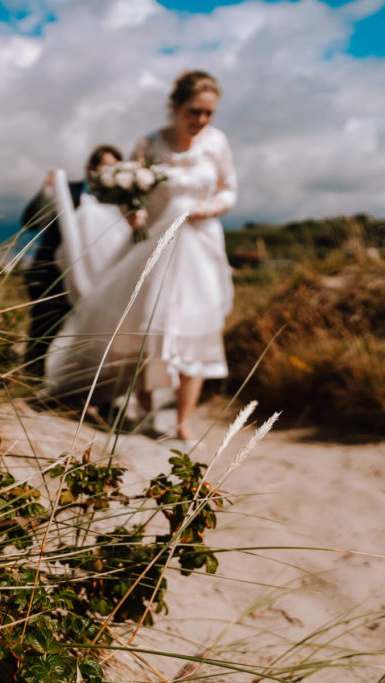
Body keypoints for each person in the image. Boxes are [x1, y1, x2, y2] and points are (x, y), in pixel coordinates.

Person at [45, 70, 237, 443]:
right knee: (149, 322)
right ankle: (145, 403)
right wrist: (134, 213)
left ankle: (183, 421)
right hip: (157, 243)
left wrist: (205, 209)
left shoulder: (217, 144)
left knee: (196, 325)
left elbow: (229, 192)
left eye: (209, 113)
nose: (201, 120)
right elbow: (134, 199)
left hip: (200, 243)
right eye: (194, 111)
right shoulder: (149, 144)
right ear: (176, 106)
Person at [20, 144, 125, 373]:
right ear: (92, 167)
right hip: (52, 273)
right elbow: (30, 222)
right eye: (106, 166)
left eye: (116, 169)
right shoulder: (67, 190)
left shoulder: (121, 204)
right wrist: (46, 192)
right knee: (45, 330)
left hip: (96, 280)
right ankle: (32, 382)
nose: (109, 174)